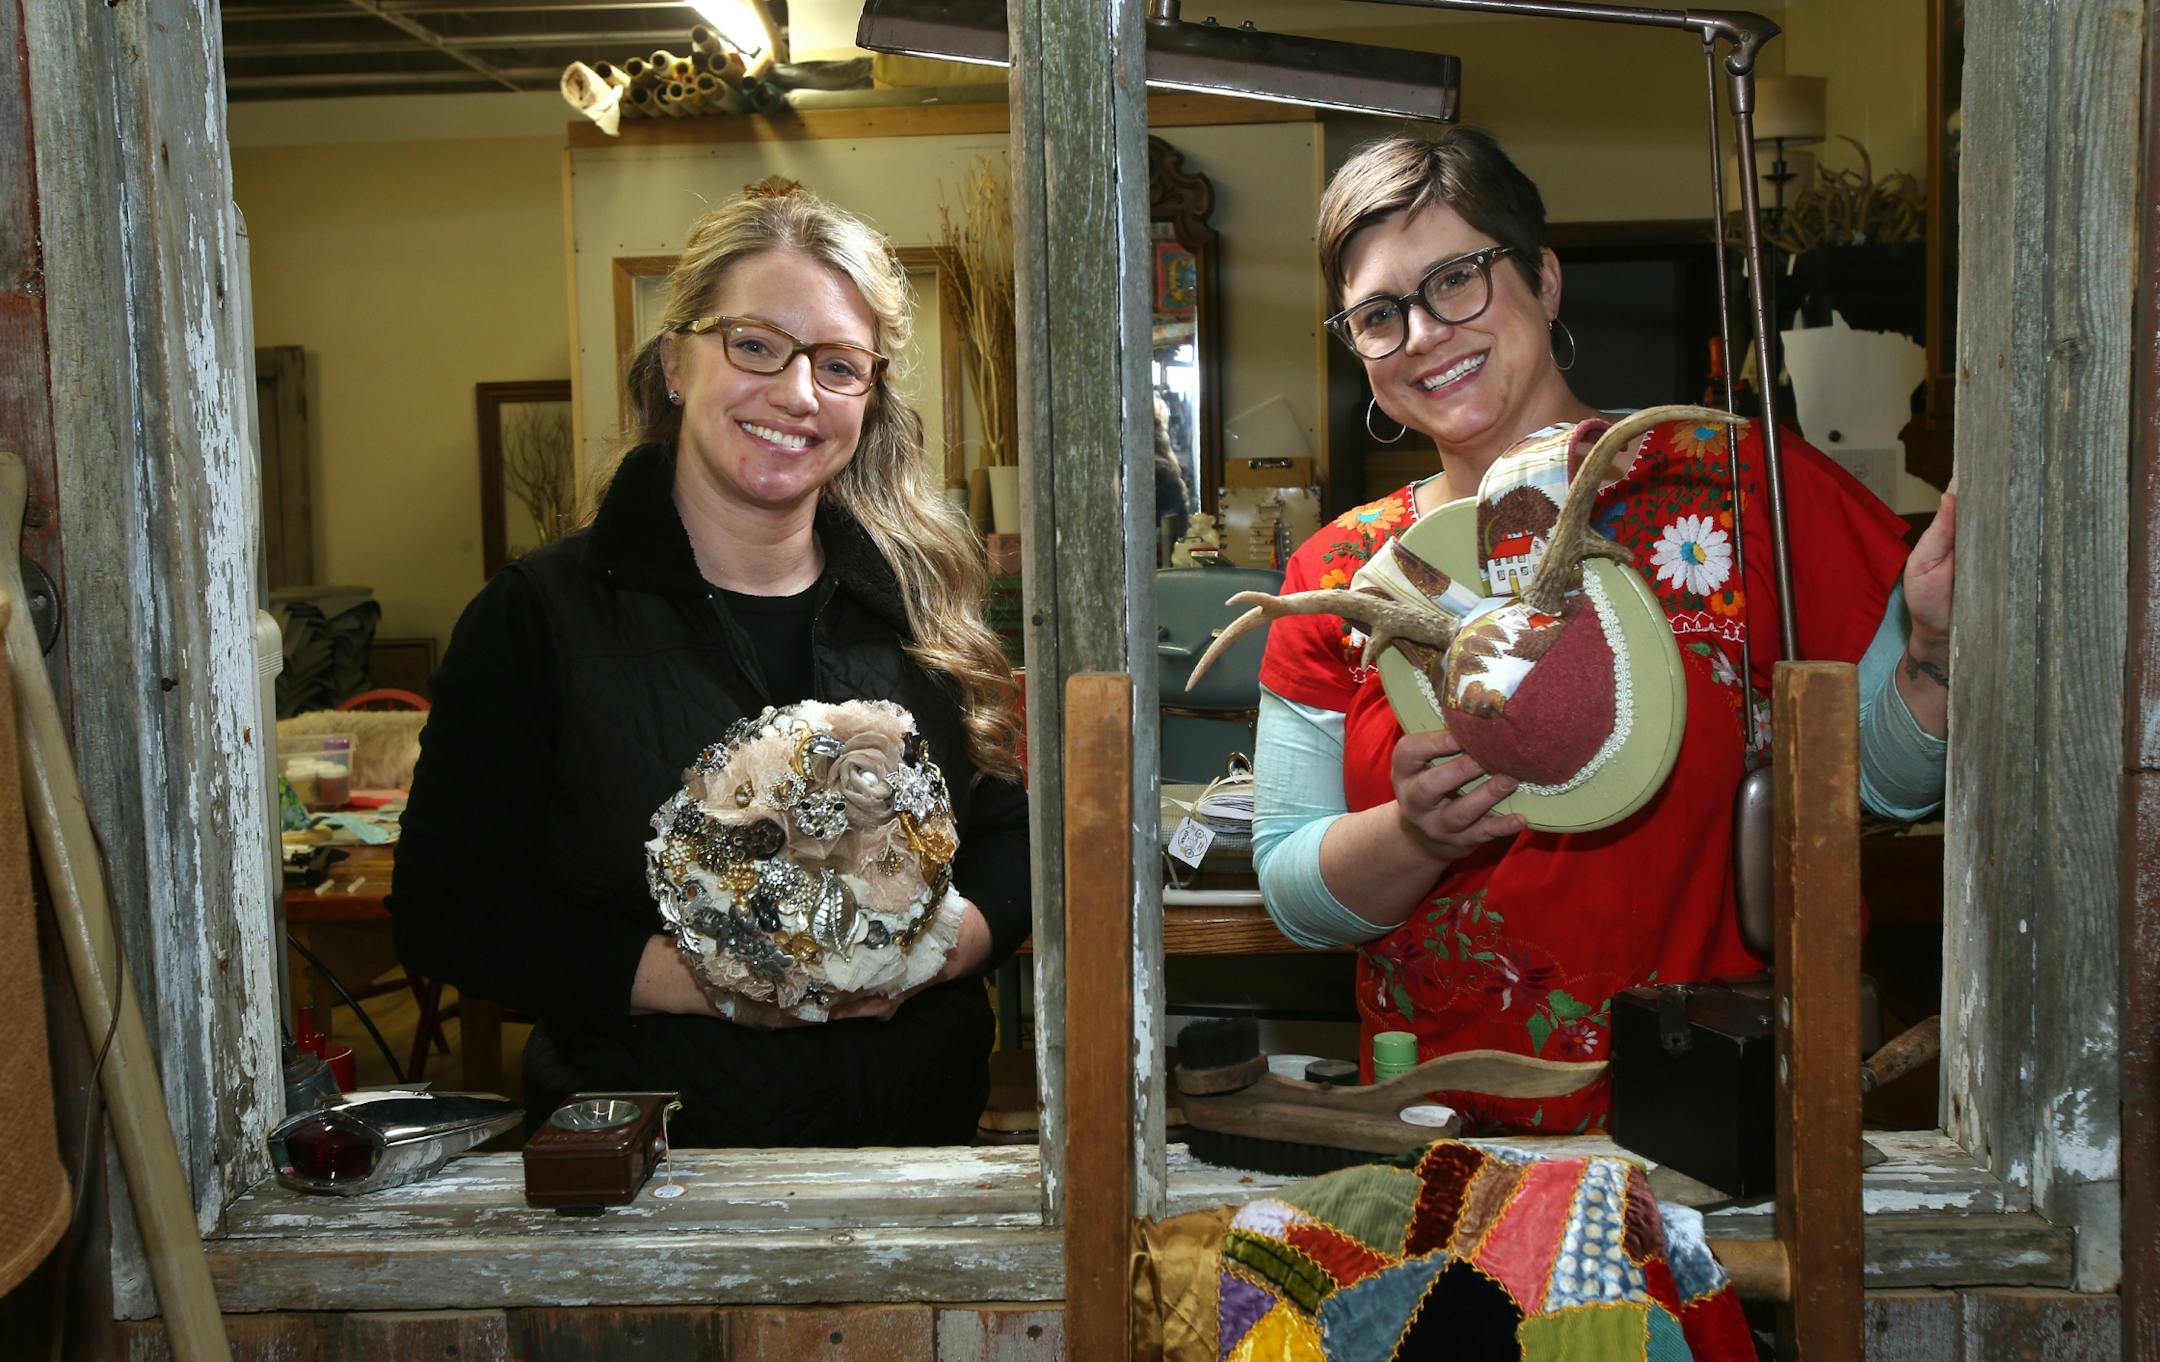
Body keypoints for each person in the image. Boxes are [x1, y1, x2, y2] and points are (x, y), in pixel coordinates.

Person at [1251, 131, 1956, 1133]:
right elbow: (1292, 888)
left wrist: (1930, 657)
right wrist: (1414, 832)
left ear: (1542, 276)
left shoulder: (1734, 490)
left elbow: (1883, 785)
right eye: (1378, 314)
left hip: (1712, 1129)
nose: (1423, 333)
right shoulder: (1338, 581)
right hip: (1448, 1134)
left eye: (1456, 279)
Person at [388, 187, 1030, 1147]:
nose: (798, 393)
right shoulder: (541, 618)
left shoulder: (925, 607)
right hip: (652, 1171)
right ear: (674, 363)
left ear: (871, 396)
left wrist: (922, 958)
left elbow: (1015, 847)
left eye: (839, 365)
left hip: (913, 1155)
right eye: (756, 345)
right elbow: (450, 909)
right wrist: (716, 982)